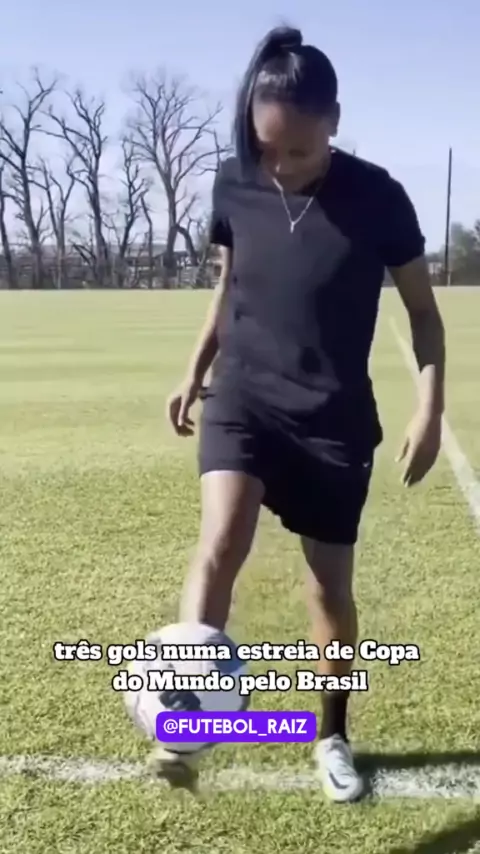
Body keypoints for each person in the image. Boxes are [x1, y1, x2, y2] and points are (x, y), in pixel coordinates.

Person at [156, 26, 445, 800]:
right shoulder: (234, 183)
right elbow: (229, 286)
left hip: (331, 419)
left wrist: (429, 407)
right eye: (268, 149)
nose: (281, 166)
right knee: (219, 543)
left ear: (334, 122)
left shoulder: (378, 197)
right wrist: (195, 372)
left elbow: (423, 314)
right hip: (244, 397)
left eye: (300, 151)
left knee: (328, 593)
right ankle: (187, 716)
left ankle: (332, 735)